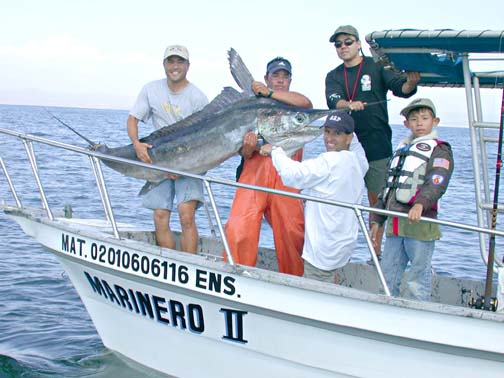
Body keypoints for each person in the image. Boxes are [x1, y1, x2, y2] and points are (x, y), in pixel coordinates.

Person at [325, 25, 421, 258]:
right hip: (345, 147)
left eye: (348, 42)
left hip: (377, 145)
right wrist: (348, 104)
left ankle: (375, 253)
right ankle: (334, 250)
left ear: (358, 44)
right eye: (338, 44)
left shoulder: (376, 67)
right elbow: (333, 100)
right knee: (337, 198)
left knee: (376, 200)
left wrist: (410, 83)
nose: (343, 47)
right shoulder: (333, 75)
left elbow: (401, 88)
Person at [224, 57, 312, 276]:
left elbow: (306, 103)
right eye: (276, 76)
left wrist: (268, 93)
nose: (281, 80)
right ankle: (236, 278)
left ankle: (297, 285)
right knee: (238, 229)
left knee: (293, 233)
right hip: (254, 173)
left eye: (285, 76)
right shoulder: (251, 108)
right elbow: (243, 152)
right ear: (266, 78)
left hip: (286, 178)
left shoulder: (297, 105)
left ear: (291, 80)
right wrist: (248, 147)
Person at [260, 112, 368, 284]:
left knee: (314, 291)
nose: (329, 138)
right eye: (327, 131)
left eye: (337, 133)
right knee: (331, 279)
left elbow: (292, 175)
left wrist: (275, 151)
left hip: (324, 249)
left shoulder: (329, 161)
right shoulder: (359, 161)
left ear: (348, 137)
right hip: (344, 245)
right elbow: (356, 146)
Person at [369, 98, 454, 301]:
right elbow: (387, 187)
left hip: (420, 225)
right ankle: (385, 312)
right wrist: (377, 218)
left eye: (425, 118)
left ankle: (420, 316)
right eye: (414, 119)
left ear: (435, 121)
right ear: (406, 124)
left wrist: (420, 204)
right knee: (388, 274)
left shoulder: (440, 149)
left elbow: (437, 181)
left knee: (418, 277)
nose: (419, 123)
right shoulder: (402, 150)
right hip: (395, 225)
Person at [127, 45, 208, 253]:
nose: (175, 66)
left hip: (190, 161)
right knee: (160, 216)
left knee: (186, 214)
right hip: (160, 160)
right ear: (164, 65)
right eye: (171, 61)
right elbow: (133, 119)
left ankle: (189, 265)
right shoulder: (150, 89)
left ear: (188, 66)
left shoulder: (198, 97)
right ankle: (170, 261)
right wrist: (137, 144)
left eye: (180, 62)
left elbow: (206, 139)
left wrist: (183, 166)